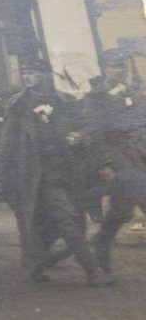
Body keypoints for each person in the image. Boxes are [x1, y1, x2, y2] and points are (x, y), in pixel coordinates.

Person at [0, 58, 114, 287]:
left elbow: (87, 127)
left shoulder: (65, 101)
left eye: (32, 72)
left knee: (61, 220)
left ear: (46, 75)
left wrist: (81, 137)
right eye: (24, 73)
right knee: (64, 218)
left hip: (68, 170)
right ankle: (92, 270)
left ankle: (36, 262)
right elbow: (6, 142)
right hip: (36, 174)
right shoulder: (18, 106)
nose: (27, 77)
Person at [83, 48, 146, 274]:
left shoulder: (131, 93)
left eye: (122, 66)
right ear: (105, 69)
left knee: (120, 212)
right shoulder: (95, 97)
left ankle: (100, 246)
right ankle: (99, 249)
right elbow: (95, 134)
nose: (119, 71)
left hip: (137, 157)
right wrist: (103, 164)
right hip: (117, 159)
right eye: (114, 66)